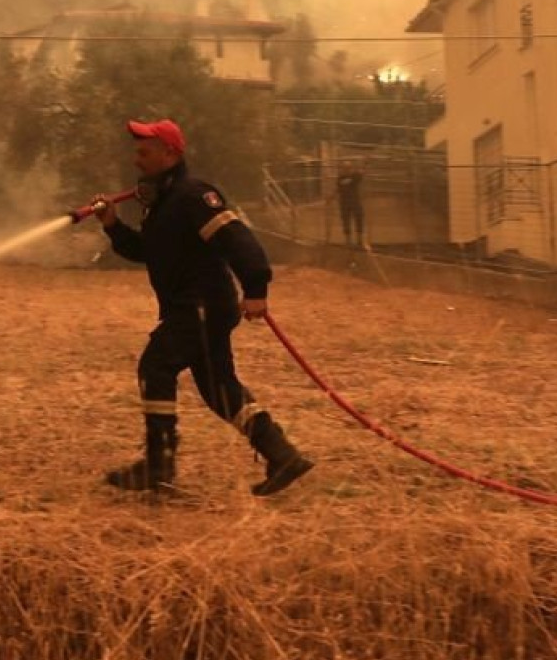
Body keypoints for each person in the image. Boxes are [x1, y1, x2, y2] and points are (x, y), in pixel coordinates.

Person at [91, 118, 314, 496]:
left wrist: (256, 286)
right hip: (193, 307)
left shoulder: (193, 196)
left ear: (170, 154)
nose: (136, 160)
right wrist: (113, 225)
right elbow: (146, 252)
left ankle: (159, 466)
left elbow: (236, 239)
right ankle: (283, 455)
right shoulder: (162, 204)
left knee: (156, 366)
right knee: (218, 388)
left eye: (144, 152)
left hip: (201, 307)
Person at [336, 161, 365, 247]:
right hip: (344, 202)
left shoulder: (355, 176)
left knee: (359, 218)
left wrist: (364, 166)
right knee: (346, 220)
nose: (347, 169)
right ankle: (348, 240)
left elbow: (360, 174)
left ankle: (360, 239)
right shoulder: (340, 178)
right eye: (345, 168)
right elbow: (340, 187)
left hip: (355, 201)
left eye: (348, 168)